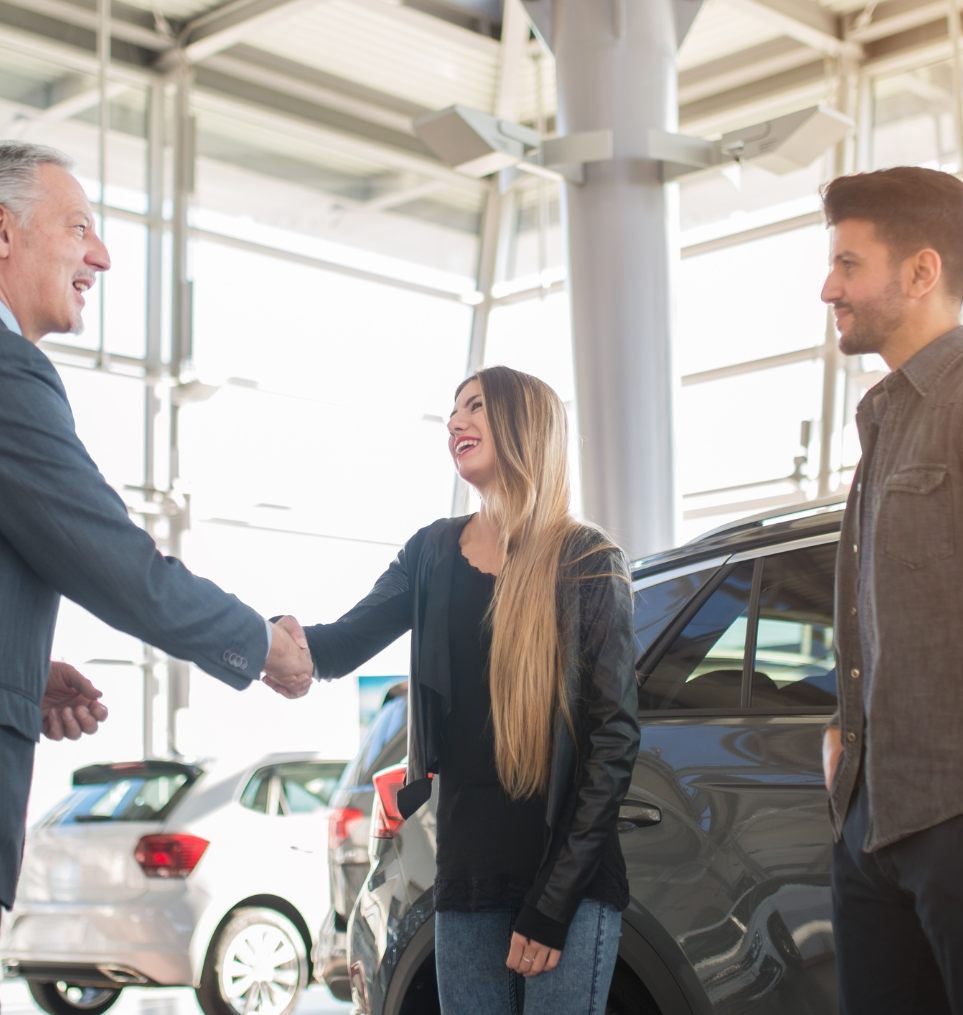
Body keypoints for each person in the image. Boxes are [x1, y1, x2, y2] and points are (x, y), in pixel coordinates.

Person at [0, 140, 314, 917]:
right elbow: (115, 563)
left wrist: (19, 667)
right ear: (4, 233)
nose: (102, 256)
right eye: (78, 227)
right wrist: (263, 644)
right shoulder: (8, 372)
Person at [281, 365, 639, 1014]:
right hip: (467, 876)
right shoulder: (432, 553)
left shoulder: (587, 561)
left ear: (523, 423)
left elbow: (612, 740)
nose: (454, 422)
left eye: (474, 406)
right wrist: (262, 640)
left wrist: (554, 903)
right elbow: (340, 643)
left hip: (568, 885)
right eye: (452, 410)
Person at [819, 166, 963, 1013]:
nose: (828, 288)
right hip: (871, 827)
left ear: (921, 271)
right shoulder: (884, 419)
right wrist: (842, 745)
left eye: (847, 264)